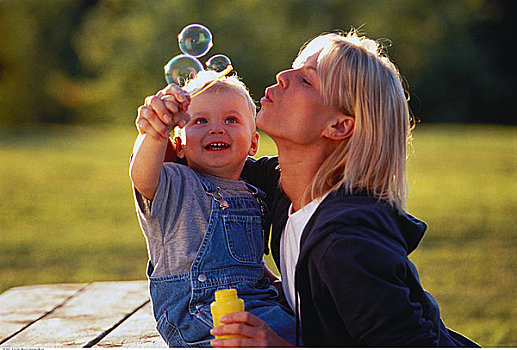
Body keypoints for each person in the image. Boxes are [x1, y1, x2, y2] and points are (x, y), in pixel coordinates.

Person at [136, 31, 479, 347]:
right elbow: (184, 175)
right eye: (293, 69)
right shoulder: (281, 186)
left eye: (305, 80)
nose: (282, 76)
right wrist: (157, 130)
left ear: (339, 124)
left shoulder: (346, 245)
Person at [129, 71, 296, 347]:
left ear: (253, 143)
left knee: (310, 330)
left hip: (256, 305)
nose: (216, 129)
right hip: (200, 316)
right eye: (200, 121)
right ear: (179, 144)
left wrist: (275, 284)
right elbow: (142, 177)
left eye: (231, 120)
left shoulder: (255, 195)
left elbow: (246, 262)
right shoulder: (175, 184)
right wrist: (156, 132)